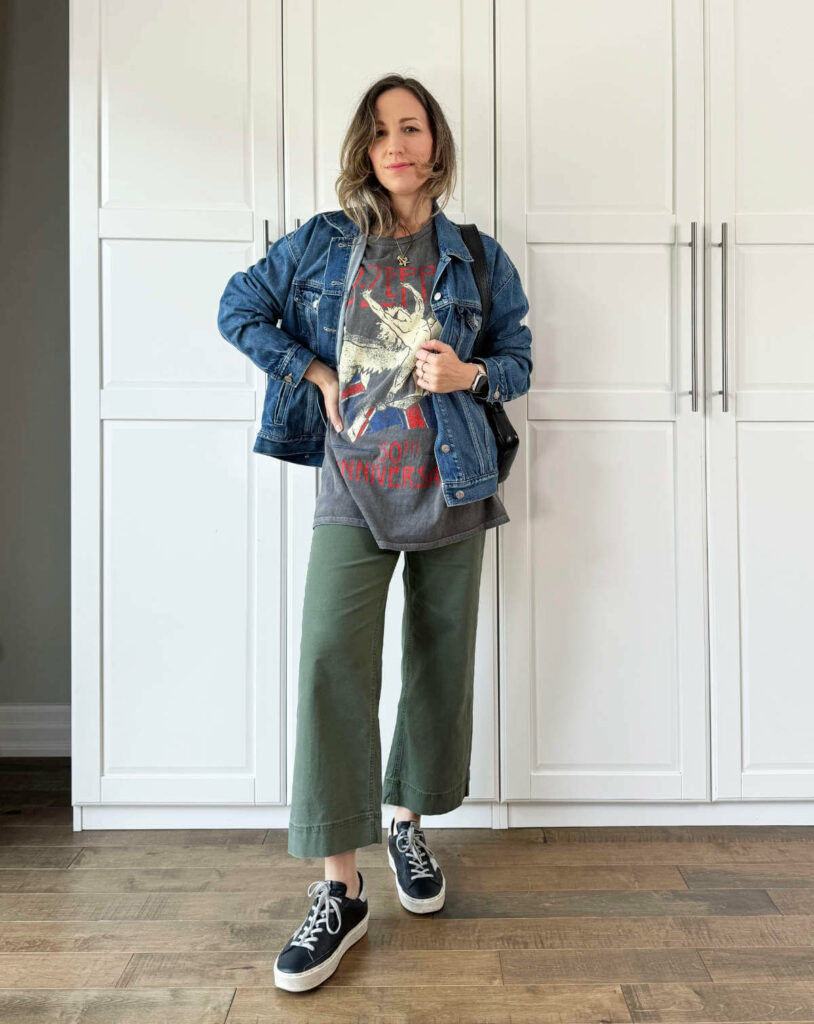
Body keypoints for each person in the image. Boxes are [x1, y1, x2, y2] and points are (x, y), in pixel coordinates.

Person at [217, 73, 532, 993]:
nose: (397, 143)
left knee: (437, 664)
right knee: (330, 660)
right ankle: (340, 888)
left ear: (435, 146)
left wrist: (466, 375)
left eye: (413, 127)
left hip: (451, 481)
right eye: (381, 130)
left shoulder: (474, 256)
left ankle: (407, 822)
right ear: (366, 147)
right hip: (352, 485)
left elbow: (517, 361)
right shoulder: (322, 243)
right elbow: (240, 307)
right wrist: (312, 372)